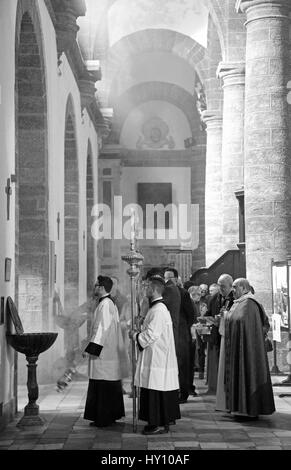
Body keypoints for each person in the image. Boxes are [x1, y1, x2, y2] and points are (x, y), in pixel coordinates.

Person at [129, 274, 180, 435]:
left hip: (157, 358)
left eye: (147, 287)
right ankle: (159, 421)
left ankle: (156, 422)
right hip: (156, 356)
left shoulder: (158, 310)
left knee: (155, 390)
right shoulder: (156, 308)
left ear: (155, 289)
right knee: (155, 389)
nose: (145, 289)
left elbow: (151, 335)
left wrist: (135, 336)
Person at [224, 278, 275, 420]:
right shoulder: (240, 302)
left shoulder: (249, 304)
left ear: (244, 288)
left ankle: (248, 410)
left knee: (248, 373)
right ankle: (240, 408)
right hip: (238, 346)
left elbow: (245, 323)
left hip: (248, 349)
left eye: (235, 287)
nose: (232, 290)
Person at [83, 275, 129, 427]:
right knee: (106, 384)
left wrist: (91, 349)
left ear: (101, 288)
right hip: (107, 353)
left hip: (104, 354)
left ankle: (104, 418)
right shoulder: (106, 303)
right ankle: (107, 416)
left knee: (103, 385)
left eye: (96, 285)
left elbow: (102, 329)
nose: (94, 288)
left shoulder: (106, 304)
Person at [164, 268, 194, 404]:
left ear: (177, 279)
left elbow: (191, 314)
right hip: (169, 332)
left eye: (170, 277)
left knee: (182, 364)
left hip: (181, 333)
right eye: (165, 277)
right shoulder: (165, 293)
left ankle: (183, 392)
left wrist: (184, 328)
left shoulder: (183, 293)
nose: (167, 280)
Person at [205, 274, 234, 394]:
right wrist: (207, 320)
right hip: (216, 336)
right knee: (218, 365)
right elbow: (208, 313)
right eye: (219, 286)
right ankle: (218, 389)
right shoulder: (214, 298)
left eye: (223, 286)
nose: (221, 289)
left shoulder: (235, 299)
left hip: (230, 337)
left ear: (231, 286)